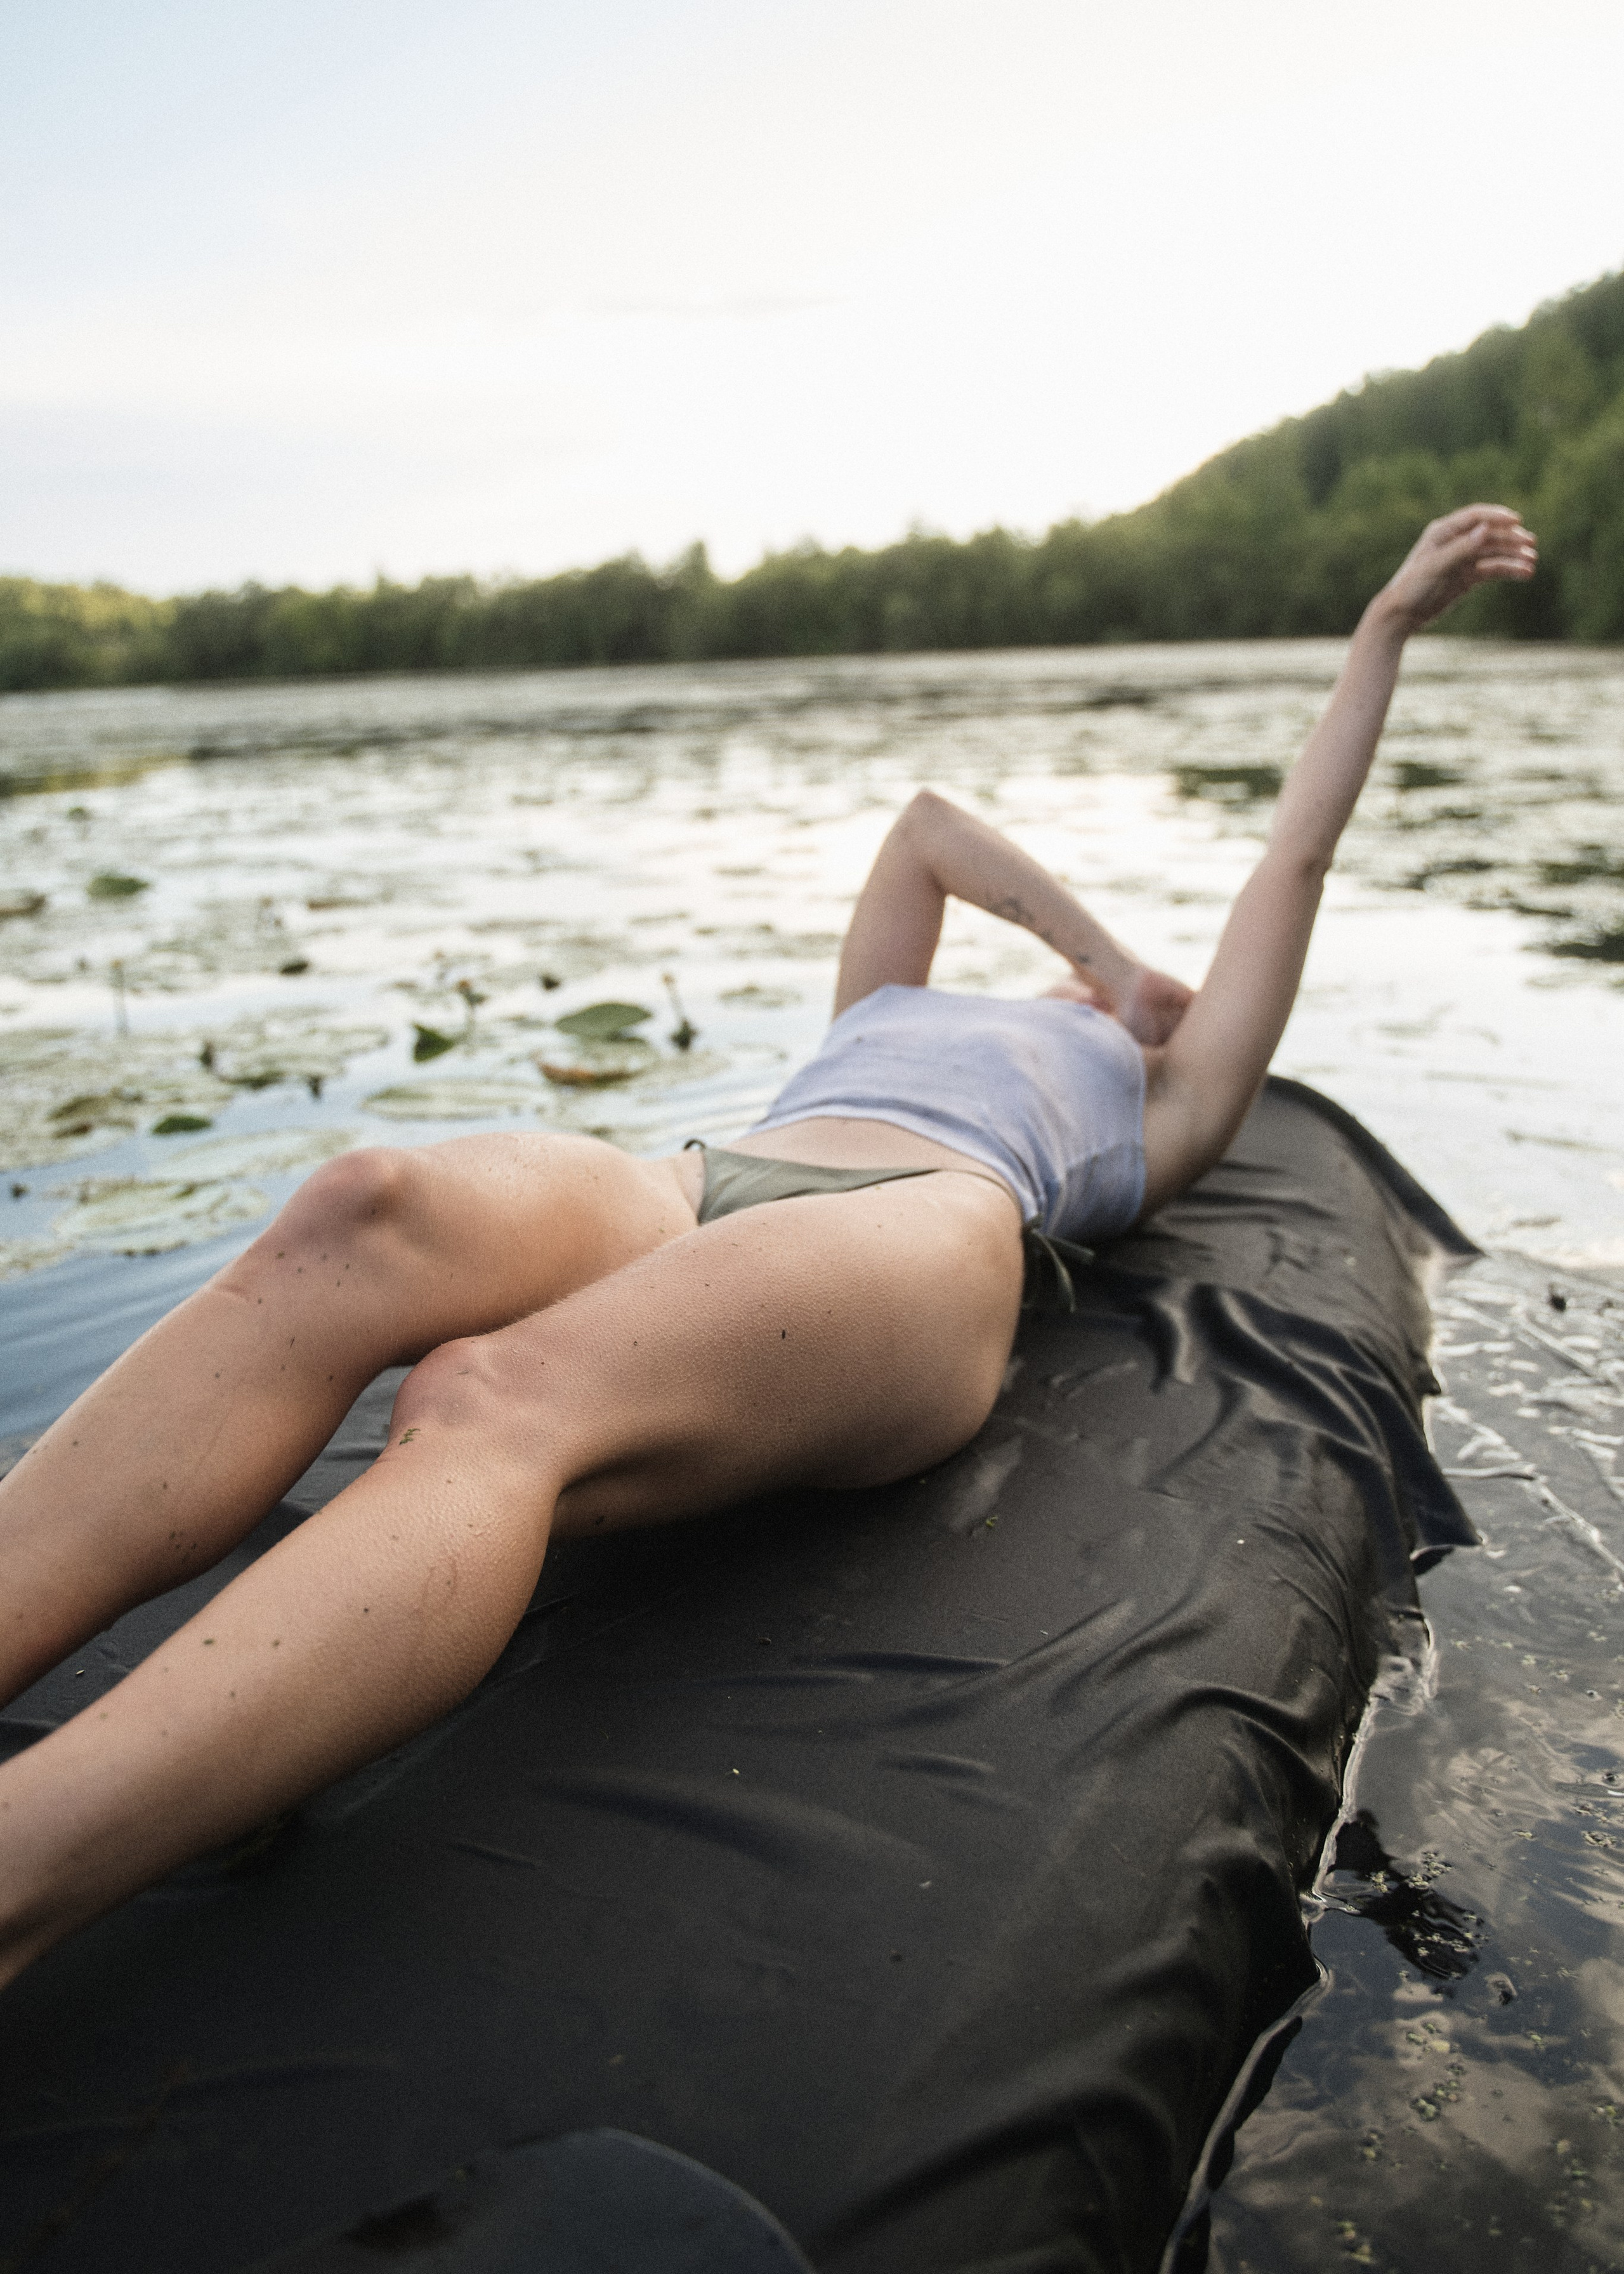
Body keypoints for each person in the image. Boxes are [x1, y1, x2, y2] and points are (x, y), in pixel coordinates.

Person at [0, 506, 1536, 1990]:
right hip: (695, 1181)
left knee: (491, 1395)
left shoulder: (1175, 1093)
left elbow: (1292, 865)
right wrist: (1103, 962)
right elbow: (926, 827)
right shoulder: (902, 1009)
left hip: (919, 1228)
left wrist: (1382, 629)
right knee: (361, 1206)